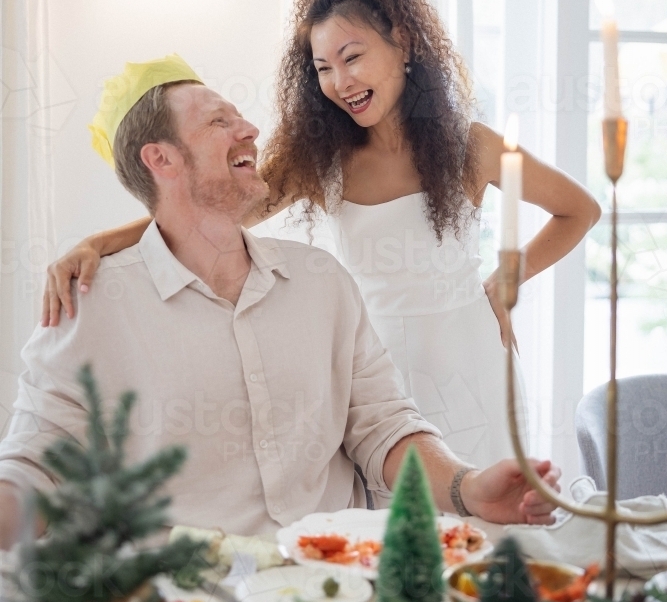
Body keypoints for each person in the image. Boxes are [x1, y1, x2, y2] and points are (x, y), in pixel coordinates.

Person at [42, 0, 601, 470]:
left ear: (403, 44)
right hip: (377, 376)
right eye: (323, 68)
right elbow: (209, 214)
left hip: (474, 362)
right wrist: (100, 242)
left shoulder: (470, 146)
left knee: (486, 537)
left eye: (352, 57)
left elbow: (579, 209)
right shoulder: (322, 159)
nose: (340, 82)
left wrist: (509, 274)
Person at [0, 57, 561, 549]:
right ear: (162, 161)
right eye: (220, 121)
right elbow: (37, 466)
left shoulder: (322, 283)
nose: (251, 129)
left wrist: (465, 488)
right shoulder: (88, 308)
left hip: (340, 578)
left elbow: (384, 428)